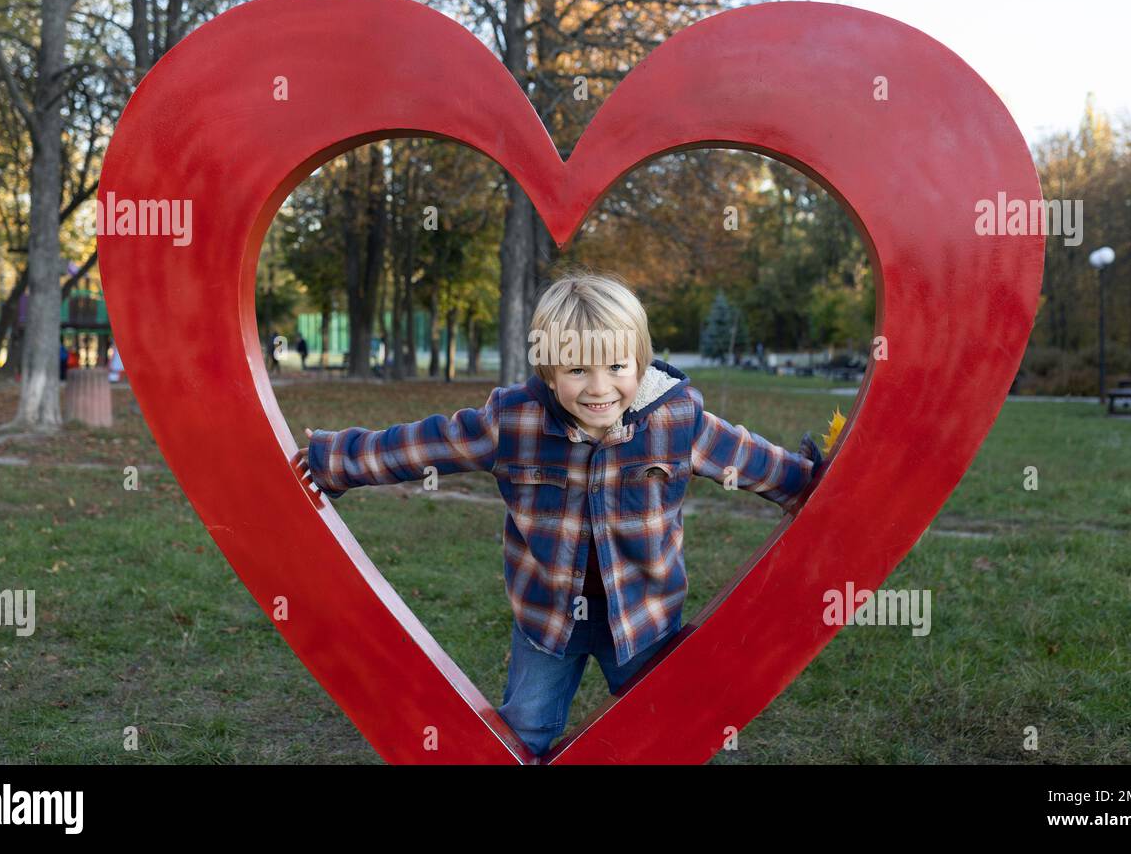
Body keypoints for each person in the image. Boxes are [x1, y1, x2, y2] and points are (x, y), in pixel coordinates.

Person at [294, 270, 824, 760]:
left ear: (639, 361)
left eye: (617, 366)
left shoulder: (676, 418)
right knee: (522, 733)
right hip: (547, 619)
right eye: (577, 369)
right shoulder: (514, 421)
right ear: (549, 370)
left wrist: (812, 483)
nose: (599, 387)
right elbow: (428, 445)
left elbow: (747, 458)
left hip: (644, 618)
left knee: (666, 732)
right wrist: (333, 461)